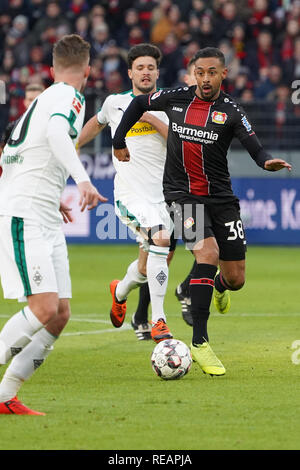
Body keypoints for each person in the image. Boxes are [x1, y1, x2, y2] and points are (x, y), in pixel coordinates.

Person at [112, 47, 292, 376]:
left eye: (212, 72)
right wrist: (118, 140)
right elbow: (139, 102)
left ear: (224, 74)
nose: (205, 78)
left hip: (221, 199)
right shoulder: (176, 97)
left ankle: (215, 287)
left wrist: (267, 162)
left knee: (235, 278)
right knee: (206, 254)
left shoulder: (231, 111)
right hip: (182, 196)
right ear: (193, 73)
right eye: (200, 72)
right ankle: (199, 342)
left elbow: (255, 146)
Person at [0, 34, 106, 415]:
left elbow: (19, 156)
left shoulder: (43, 99)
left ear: (51, 69)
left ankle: (5, 396)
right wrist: (83, 181)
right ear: (88, 71)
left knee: (60, 314)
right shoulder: (68, 96)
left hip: (41, 212)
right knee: (44, 308)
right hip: (25, 215)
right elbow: (57, 136)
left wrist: (51, 196)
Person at [78, 43, 173, 343]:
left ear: (158, 72)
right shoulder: (114, 103)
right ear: (130, 72)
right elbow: (97, 122)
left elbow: (179, 141)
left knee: (147, 267)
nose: (145, 72)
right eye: (140, 68)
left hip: (164, 195)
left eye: (150, 67)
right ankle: (158, 320)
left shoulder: (171, 104)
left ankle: (119, 291)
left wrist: (149, 117)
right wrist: (73, 145)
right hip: (131, 194)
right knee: (161, 238)